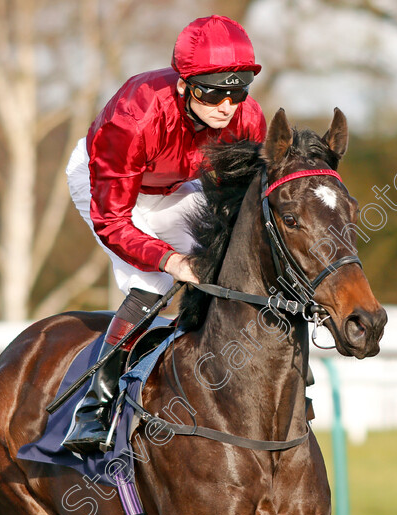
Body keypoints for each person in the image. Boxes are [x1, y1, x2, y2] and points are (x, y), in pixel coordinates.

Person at [62, 15, 267, 453]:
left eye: (238, 90)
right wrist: (173, 260)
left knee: (231, 256)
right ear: (183, 85)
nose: (227, 105)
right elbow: (114, 221)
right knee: (155, 279)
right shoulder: (133, 116)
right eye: (213, 90)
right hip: (108, 185)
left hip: (174, 186)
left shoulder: (248, 120)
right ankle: (94, 406)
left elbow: (243, 206)